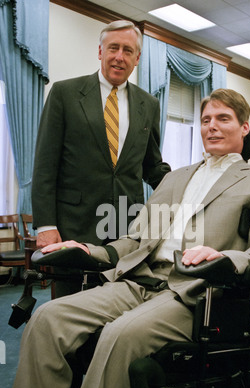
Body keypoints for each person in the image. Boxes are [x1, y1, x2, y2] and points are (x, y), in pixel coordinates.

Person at [0, 89, 250, 388]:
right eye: (205, 120)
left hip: (197, 293)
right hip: (140, 279)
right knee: (47, 319)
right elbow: (137, 241)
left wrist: (225, 258)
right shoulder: (174, 178)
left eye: (223, 119)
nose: (211, 127)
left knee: (119, 336)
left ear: (244, 127)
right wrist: (89, 248)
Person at [31, 19, 170, 296]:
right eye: (113, 48)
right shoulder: (64, 93)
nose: (120, 56)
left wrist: (189, 183)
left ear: (137, 58)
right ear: (100, 52)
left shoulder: (149, 104)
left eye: (128, 50)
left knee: (115, 308)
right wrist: (46, 225)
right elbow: (45, 165)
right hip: (74, 227)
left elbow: (151, 165)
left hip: (124, 228)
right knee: (68, 310)